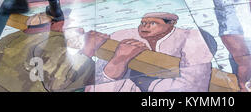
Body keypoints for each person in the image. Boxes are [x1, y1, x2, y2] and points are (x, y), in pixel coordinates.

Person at [83, 12, 213, 92]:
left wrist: (146, 82)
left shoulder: (191, 38)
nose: (145, 26)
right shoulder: (122, 37)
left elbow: (193, 87)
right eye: (143, 23)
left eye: (152, 23)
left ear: (170, 24)